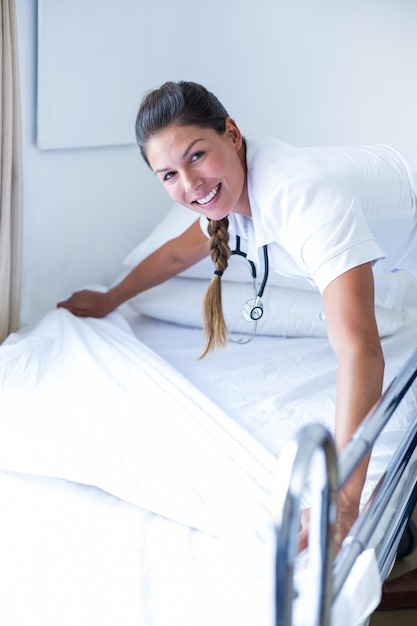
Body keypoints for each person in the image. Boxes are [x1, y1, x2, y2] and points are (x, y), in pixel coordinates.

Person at [58, 80, 417, 560]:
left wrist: (343, 501)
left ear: (231, 133)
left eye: (196, 156)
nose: (189, 185)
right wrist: (111, 300)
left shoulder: (303, 199)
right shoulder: (224, 199)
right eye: (167, 175)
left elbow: (359, 350)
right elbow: (172, 257)